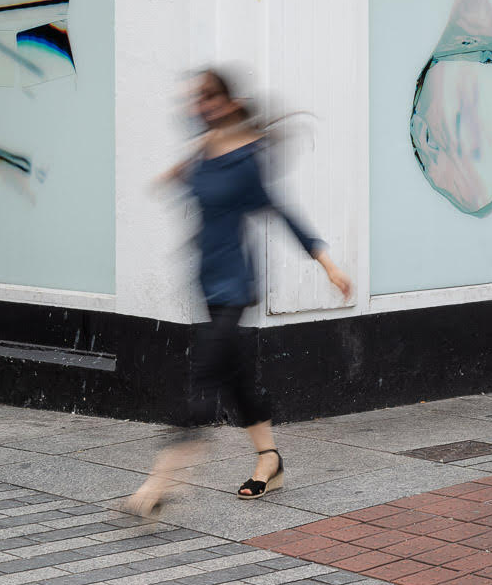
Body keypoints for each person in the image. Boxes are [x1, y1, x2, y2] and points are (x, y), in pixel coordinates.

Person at [125, 70, 350, 516]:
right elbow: (191, 186)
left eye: (207, 98)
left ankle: (163, 482)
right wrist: (177, 174)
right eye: (195, 99)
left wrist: (327, 263)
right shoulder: (202, 152)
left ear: (228, 103)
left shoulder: (247, 159)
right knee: (235, 378)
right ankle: (270, 459)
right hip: (206, 280)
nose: (198, 106)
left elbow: (283, 211)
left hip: (236, 283)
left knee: (204, 376)